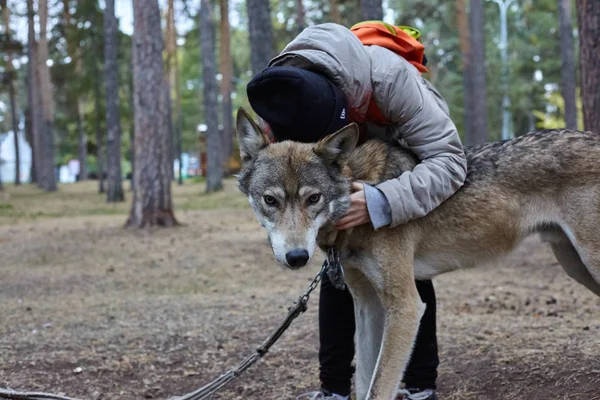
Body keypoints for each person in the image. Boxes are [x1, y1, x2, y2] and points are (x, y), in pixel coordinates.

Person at [246, 22, 467, 400]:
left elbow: (449, 161)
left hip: (403, 147)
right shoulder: (277, 97)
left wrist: (384, 200)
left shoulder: (392, 80)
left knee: (398, 252)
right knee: (338, 262)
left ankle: (419, 384)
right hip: (332, 158)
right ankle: (334, 388)